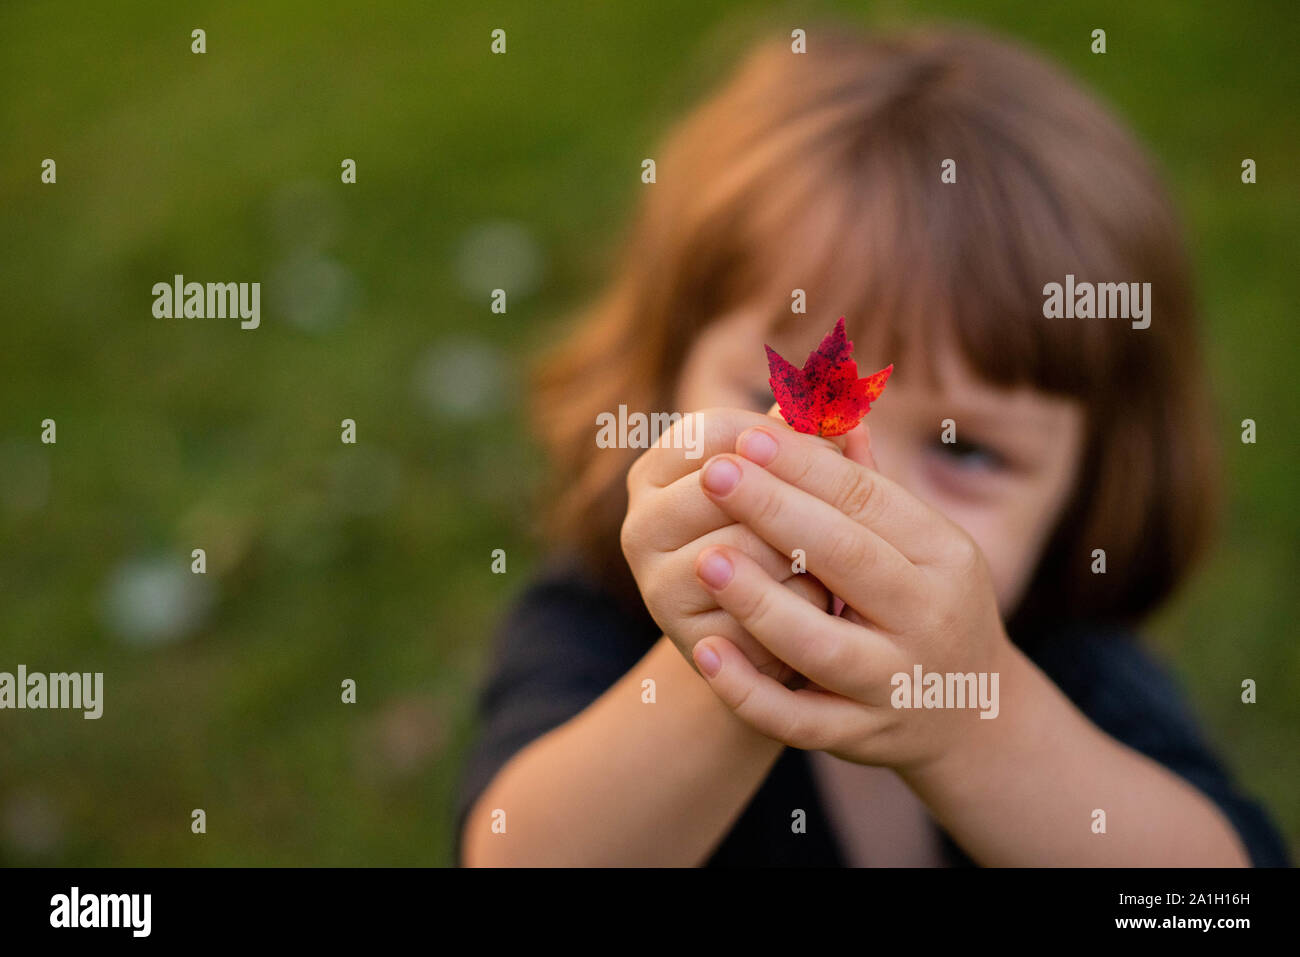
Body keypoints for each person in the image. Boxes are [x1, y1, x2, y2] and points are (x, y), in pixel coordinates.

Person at [455, 25, 1290, 866]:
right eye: (775, 403)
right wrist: (727, 664)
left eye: (966, 451)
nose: (854, 487)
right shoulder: (603, 613)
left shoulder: (1073, 661)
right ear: (668, 383)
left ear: (1089, 487)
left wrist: (970, 718)